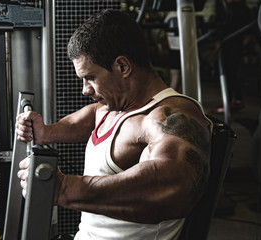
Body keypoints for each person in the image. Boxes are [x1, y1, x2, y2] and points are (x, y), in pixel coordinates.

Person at [16, 9, 213, 239]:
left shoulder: (168, 116)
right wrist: (47, 132)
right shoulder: (115, 105)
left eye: (90, 78)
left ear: (122, 66)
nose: (85, 90)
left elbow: (176, 186)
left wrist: (62, 189)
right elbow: (90, 117)